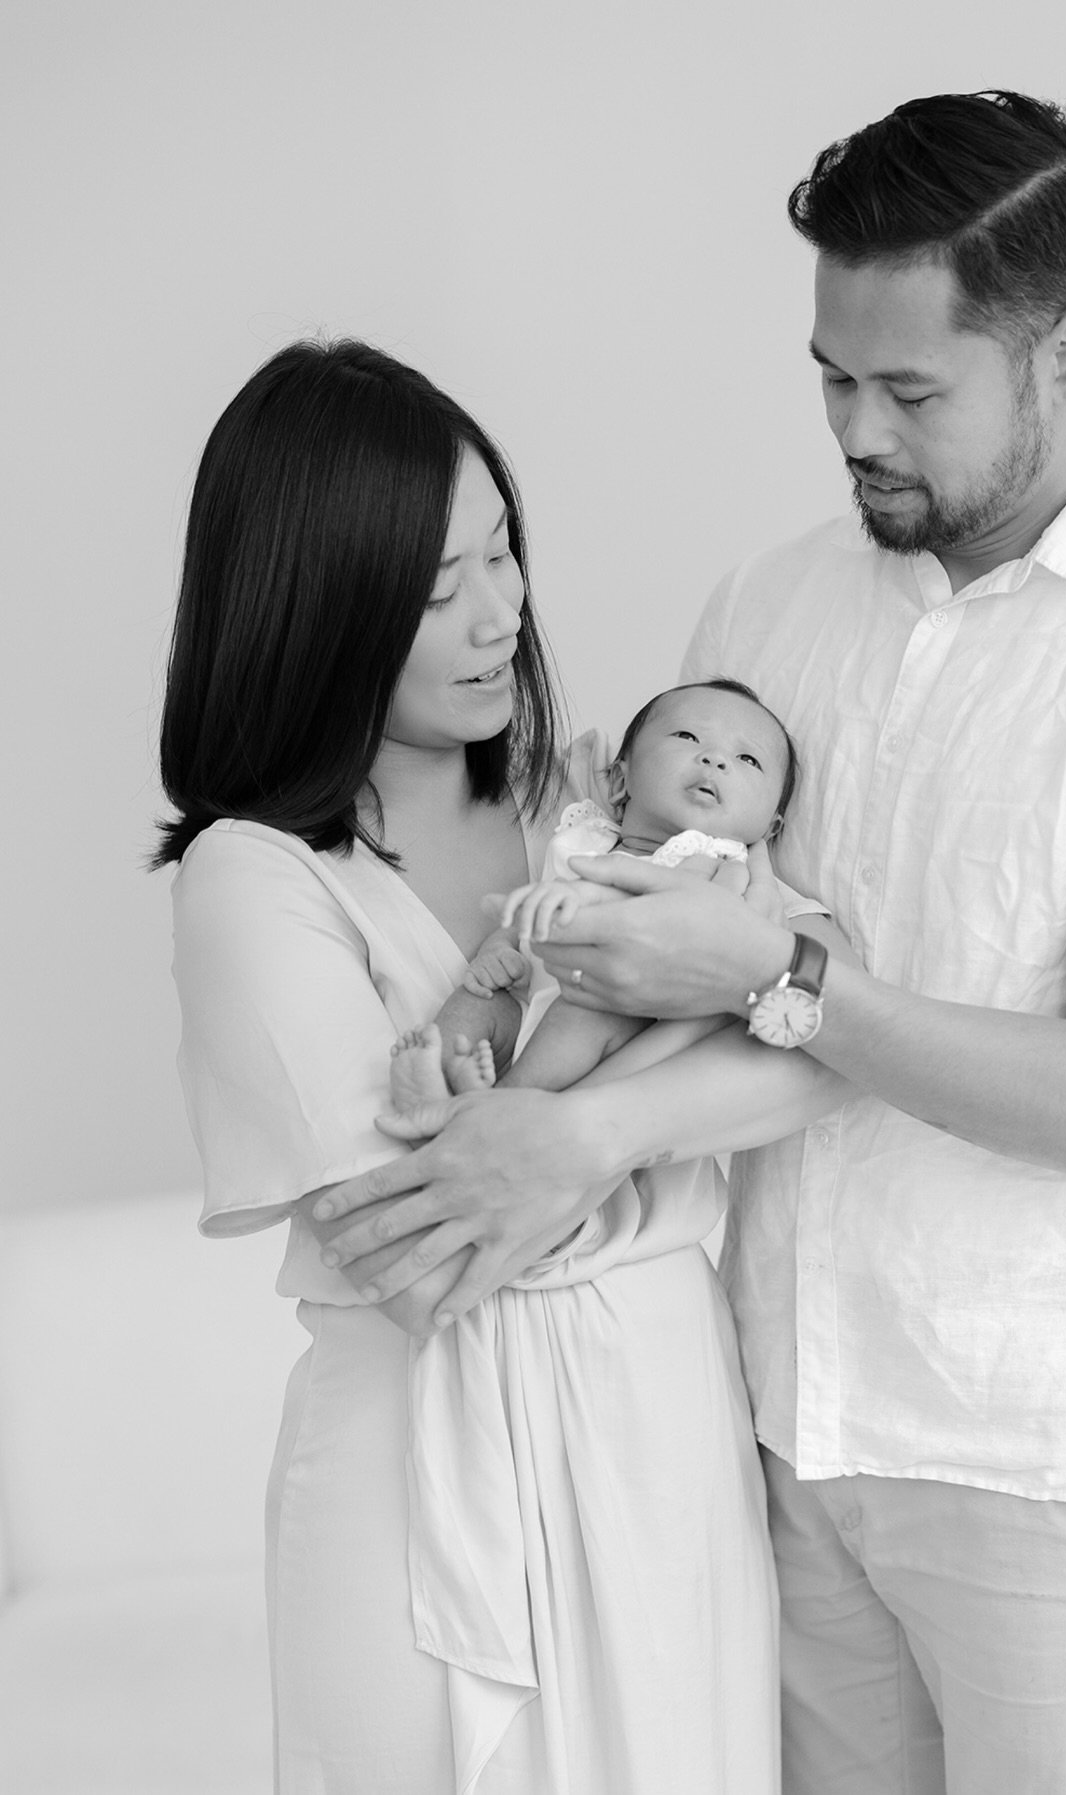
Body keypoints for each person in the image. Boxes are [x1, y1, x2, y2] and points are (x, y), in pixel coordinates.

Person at [313, 93, 1066, 1794]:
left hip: (1041, 1450)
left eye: (911, 391)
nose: (855, 430)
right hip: (770, 1419)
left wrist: (782, 983)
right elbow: (637, 926)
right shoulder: (772, 607)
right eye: (830, 377)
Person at [154, 338, 805, 1794]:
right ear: (316, 614)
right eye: (434, 591)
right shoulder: (253, 881)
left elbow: (819, 1048)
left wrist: (573, 1137)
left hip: (663, 1424)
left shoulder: (586, 816)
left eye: (502, 553)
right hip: (418, 1463)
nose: (497, 616)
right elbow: (417, 1252)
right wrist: (681, 1081)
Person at [389, 677, 815, 1107]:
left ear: (770, 828)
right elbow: (534, 906)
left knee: (584, 1016)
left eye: (748, 759)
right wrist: (499, 950)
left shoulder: (723, 870)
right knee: (477, 998)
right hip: (530, 1000)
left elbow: (674, 931)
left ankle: (506, 1103)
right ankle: (434, 1081)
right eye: (688, 736)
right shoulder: (583, 837)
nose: (715, 759)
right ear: (619, 780)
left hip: (615, 1015)